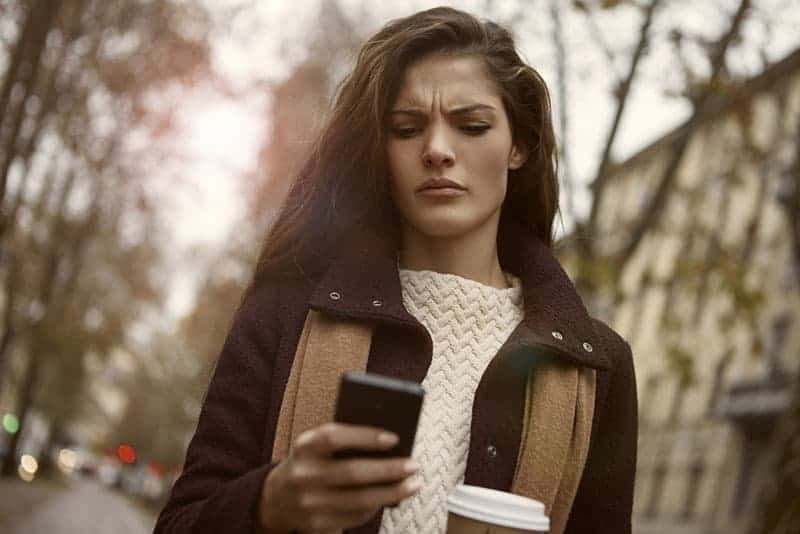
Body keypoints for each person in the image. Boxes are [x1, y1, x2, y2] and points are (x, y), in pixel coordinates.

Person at [154, 6, 637, 534]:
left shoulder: (597, 369)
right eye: (407, 129)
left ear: (518, 145)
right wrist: (268, 503)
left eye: (471, 125)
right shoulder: (284, 317)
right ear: (380, 151)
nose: (436, 150)